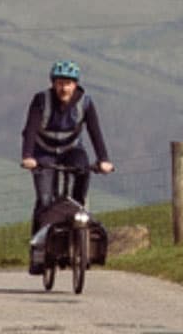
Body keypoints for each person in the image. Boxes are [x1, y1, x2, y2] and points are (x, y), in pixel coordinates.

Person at [21, 59, 114, 274]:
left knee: (82, 171)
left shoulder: (86, 103)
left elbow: (95, 132)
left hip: (71, 149)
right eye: (60, 83)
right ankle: (38, 253)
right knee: (45, 199)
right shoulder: (41, 101)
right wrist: (28, 156)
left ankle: (79, 229)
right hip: (43, 152)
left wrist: (104, 159)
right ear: (53, 83)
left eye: (69, 84)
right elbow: (30, 129)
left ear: (76, 85)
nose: (64, 88)